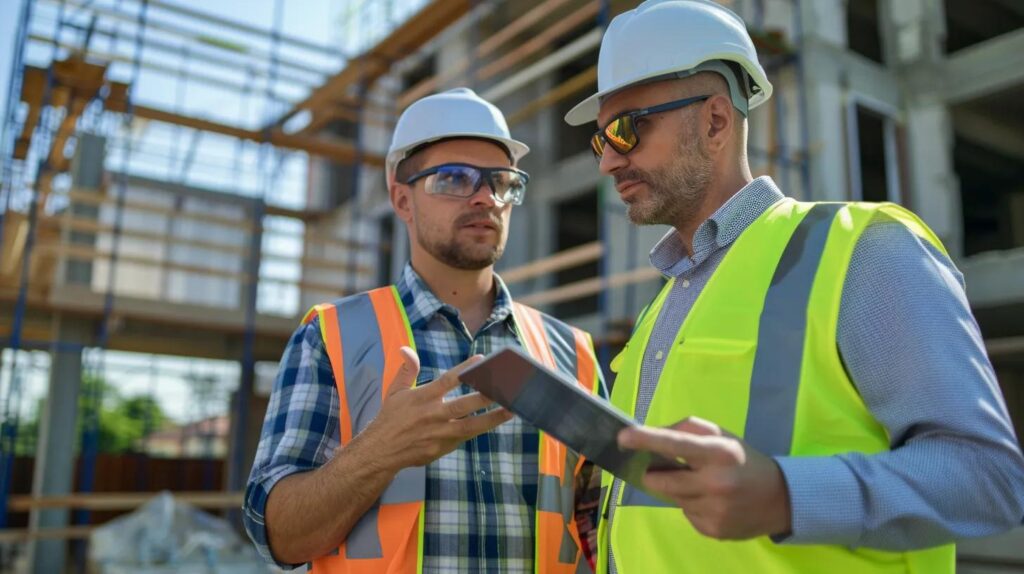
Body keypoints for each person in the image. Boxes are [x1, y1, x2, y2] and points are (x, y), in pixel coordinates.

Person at [563, 1, 1024, 573]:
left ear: (714, 121)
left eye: (626, 130)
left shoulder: (864, 249)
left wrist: (787, 495)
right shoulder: (661, 309)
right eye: (600, 140)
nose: (607, 162)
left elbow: (987, 479)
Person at [244, 87, 604, 573]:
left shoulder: (571, 353)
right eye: (454, 178)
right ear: (402, 199)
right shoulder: (330, 336)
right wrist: (377, 454)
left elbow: (601, 528)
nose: (486, 197)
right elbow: (278, 538)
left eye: (502, 181)